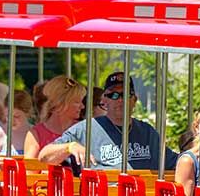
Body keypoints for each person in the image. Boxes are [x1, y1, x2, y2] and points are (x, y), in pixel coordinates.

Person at [37, 72, 178, 171]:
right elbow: (44, 156)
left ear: (134, 100)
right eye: (114, 95)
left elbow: (173, 162)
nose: (120, 100)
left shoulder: (147, 132)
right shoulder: (85, 129)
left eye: (126, 94)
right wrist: (69, 147)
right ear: (104, 100)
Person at [23, 75, 87, 158]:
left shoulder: (83, 130)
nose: (82, 106)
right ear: (60, 104)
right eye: (77, 102)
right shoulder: (36, 134)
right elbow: (29, 165)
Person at [0, 89, 34, 156]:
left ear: (28, 113)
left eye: (16, 116)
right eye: (8, 116)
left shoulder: (35, 133)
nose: (11, 120)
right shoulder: (0, 133)